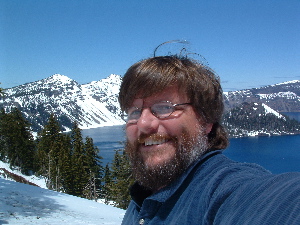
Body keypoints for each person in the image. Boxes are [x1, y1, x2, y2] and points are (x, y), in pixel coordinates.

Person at [118, 54, 300, 224]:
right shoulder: (142, 197)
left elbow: (277, 200)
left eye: (165, 107)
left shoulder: (222, 191)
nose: (143, 123)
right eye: (135, 111)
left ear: (206, 121)